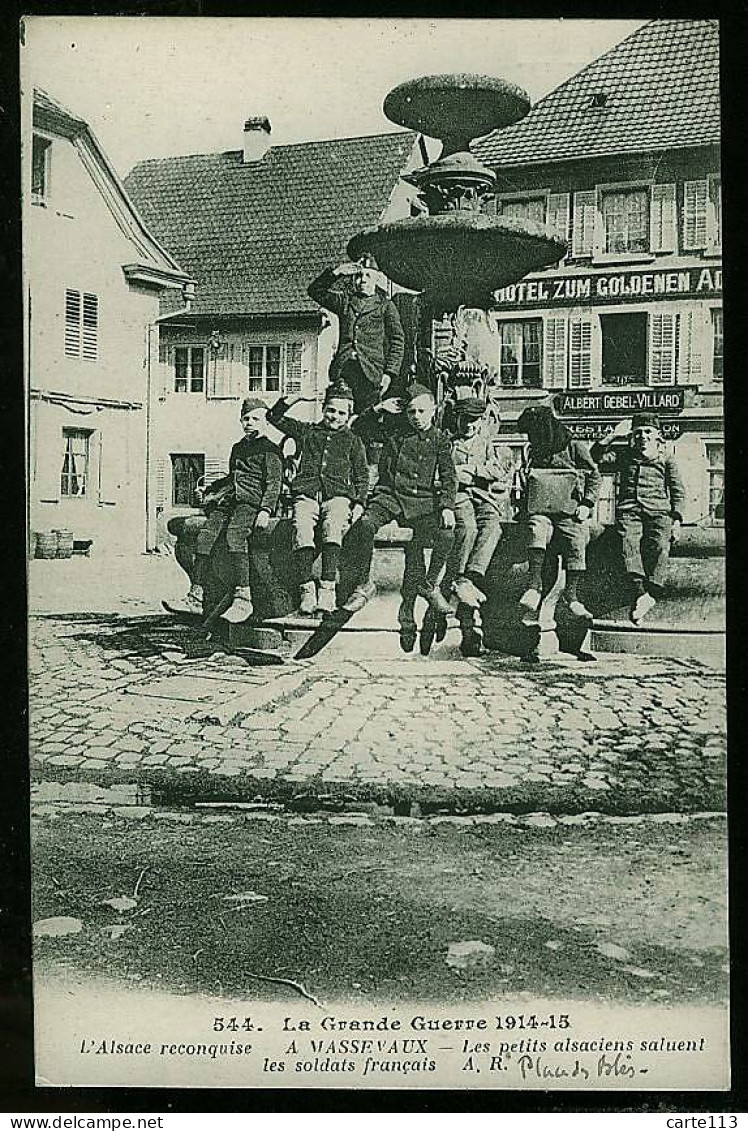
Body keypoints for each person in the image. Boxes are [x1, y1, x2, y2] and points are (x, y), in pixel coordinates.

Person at [341, 384, 457, 614]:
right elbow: (358, 427)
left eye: (422, 411)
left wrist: (447, 507)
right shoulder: (395, 433)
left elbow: (449, 476)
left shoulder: (440, 440)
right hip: (390, 495)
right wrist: (378, 408)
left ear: (434, 410)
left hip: (421, 500)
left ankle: (429, 585)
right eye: (411, 412)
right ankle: (364, 584)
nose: (416, 417)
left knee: (446, 534)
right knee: (365, 525)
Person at [173, 398, 282, 623]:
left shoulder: (270, 450)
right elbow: (231, 478)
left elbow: (274, 483)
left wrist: (265, 510)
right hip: (230, 501)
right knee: (205, 535)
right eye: (246, 419)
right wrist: (210, 491)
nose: (249, 423)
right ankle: (196, 594)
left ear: (265, 422)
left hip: (251, 503)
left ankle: (243, 597)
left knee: (235, 536)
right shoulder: (238, 448)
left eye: (255, 419)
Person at [265, 382, 369, 615]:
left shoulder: (353, 440)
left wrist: (360, 502)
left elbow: (362, 475)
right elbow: (274, 418)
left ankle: (328, 589)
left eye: (342, 413)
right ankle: (306, 589)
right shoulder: (308, 431)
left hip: (338, 496)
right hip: (307, 493)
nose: (335, 416)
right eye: (331, 410)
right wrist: (294, 399)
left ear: (348, 415)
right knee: (301, 527)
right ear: (323, 410)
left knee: (334, 526)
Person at [591, 413, 685, 624]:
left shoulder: (666, 459)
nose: (643, 436)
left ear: (657, 436)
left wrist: (677, 520)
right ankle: (641, 593)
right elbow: (594, 457)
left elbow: (678, 491)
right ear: (632, 435)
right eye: (638, 432)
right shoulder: (624, 455)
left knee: (660, 545)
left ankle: (651, 592)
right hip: (629, 510)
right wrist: (612, 436)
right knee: (627, 544)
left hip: (659, 512)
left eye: (648, 432)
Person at [517, 404, 601, 622]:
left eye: (533, 433)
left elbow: (594, 476)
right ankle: (534, 586)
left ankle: (571, 596)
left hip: (569, 510)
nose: (531, 438)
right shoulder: (533, 450)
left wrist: (587, 504)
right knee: (536, 530)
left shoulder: (574, 446)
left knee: (577, 538)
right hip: (540, 510)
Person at [307, 259, 405, 415]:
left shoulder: (386, 306)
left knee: (368, 418)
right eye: (358, 275)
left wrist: (389, 373)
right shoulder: (345, 301)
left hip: (371, 373)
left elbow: (397, 341)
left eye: (368, 275)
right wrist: (336, 273)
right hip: (344, 370)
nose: (362, 280)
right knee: (339, 412)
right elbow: (315, 291)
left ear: (377, 278)